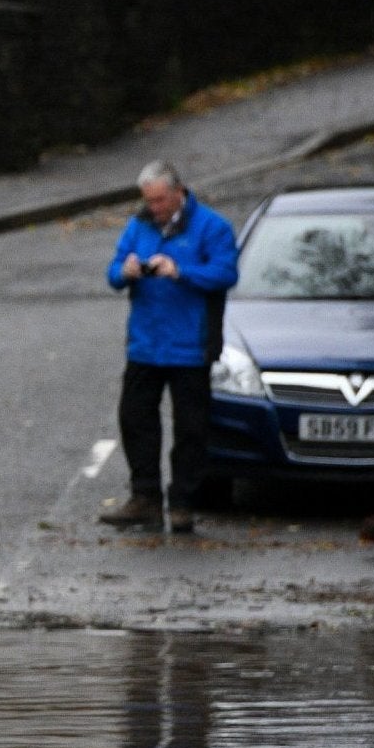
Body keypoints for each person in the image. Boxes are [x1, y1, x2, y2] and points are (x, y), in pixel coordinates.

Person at [100, 159, 238, 534]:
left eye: (160, 200)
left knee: (191, 427)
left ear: (179, 192)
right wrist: (125, 271)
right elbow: (112, 274)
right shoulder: (138, 224)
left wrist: (180, 272)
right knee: (135, 418)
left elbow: (227, 273)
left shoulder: (212, 227)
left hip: (191, 345)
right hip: (145, 344)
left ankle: (182, 501)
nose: (155, 208)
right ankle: (145, 496)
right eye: (149, 201)